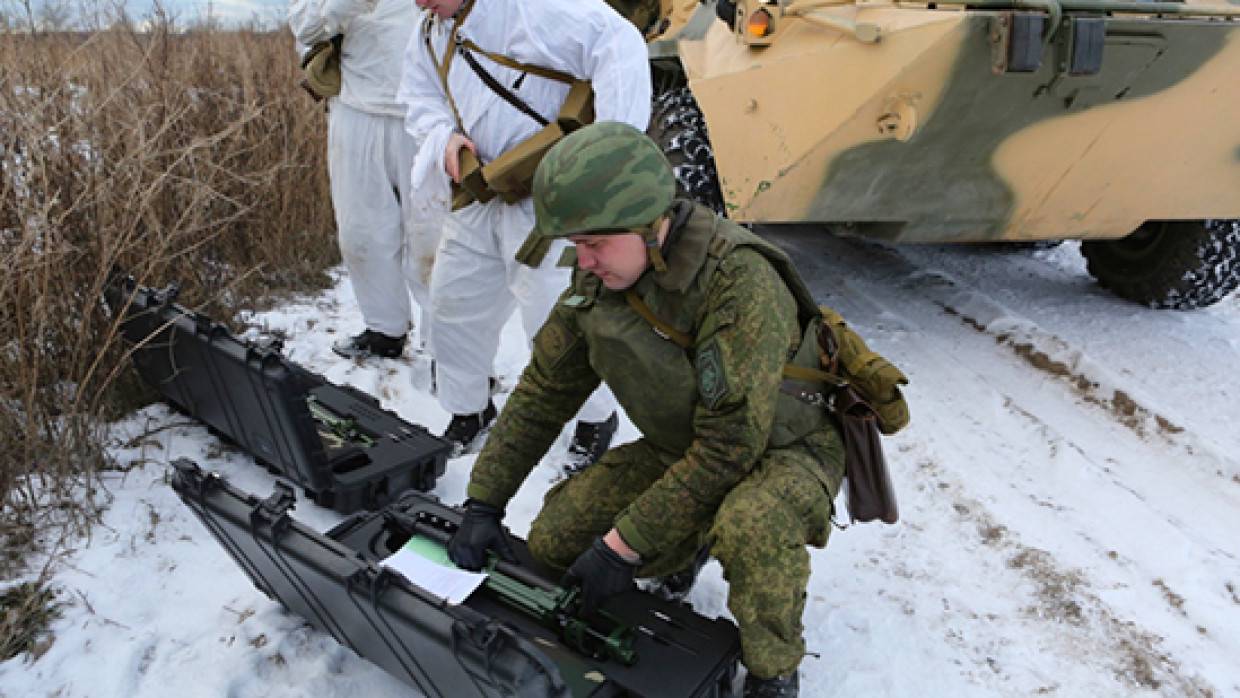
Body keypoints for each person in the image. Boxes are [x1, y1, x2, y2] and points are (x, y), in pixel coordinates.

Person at [446, 122, 846, 698]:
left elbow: (733, 445)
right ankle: (688, 541)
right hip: (685, 446)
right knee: (556, 542)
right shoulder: (597, 284)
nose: (583, 262)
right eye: (575, 245)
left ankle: (774, 670)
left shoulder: (739, 280)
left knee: (751, 523)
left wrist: (624, 545)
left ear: (649, 225)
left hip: (784, 450)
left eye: (596, 244)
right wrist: (484, 502)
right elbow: (540, 396)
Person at [396, 0, 649, 464]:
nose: (418, 3)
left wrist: (611, 156)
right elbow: (421, 97)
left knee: (556, 318)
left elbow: (618, 43)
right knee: (453, 306)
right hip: (481, 191)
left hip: (548, 196)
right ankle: (468, 410)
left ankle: (594, 420)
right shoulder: (429, 33)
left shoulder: (530, 6)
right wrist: (444, 138)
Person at [289, 0, 438, 360]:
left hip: (427, 111)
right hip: (355, 110)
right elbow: (304, 28)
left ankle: (446, 349)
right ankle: (384, 330)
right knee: (362, 232)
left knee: (435, 237)